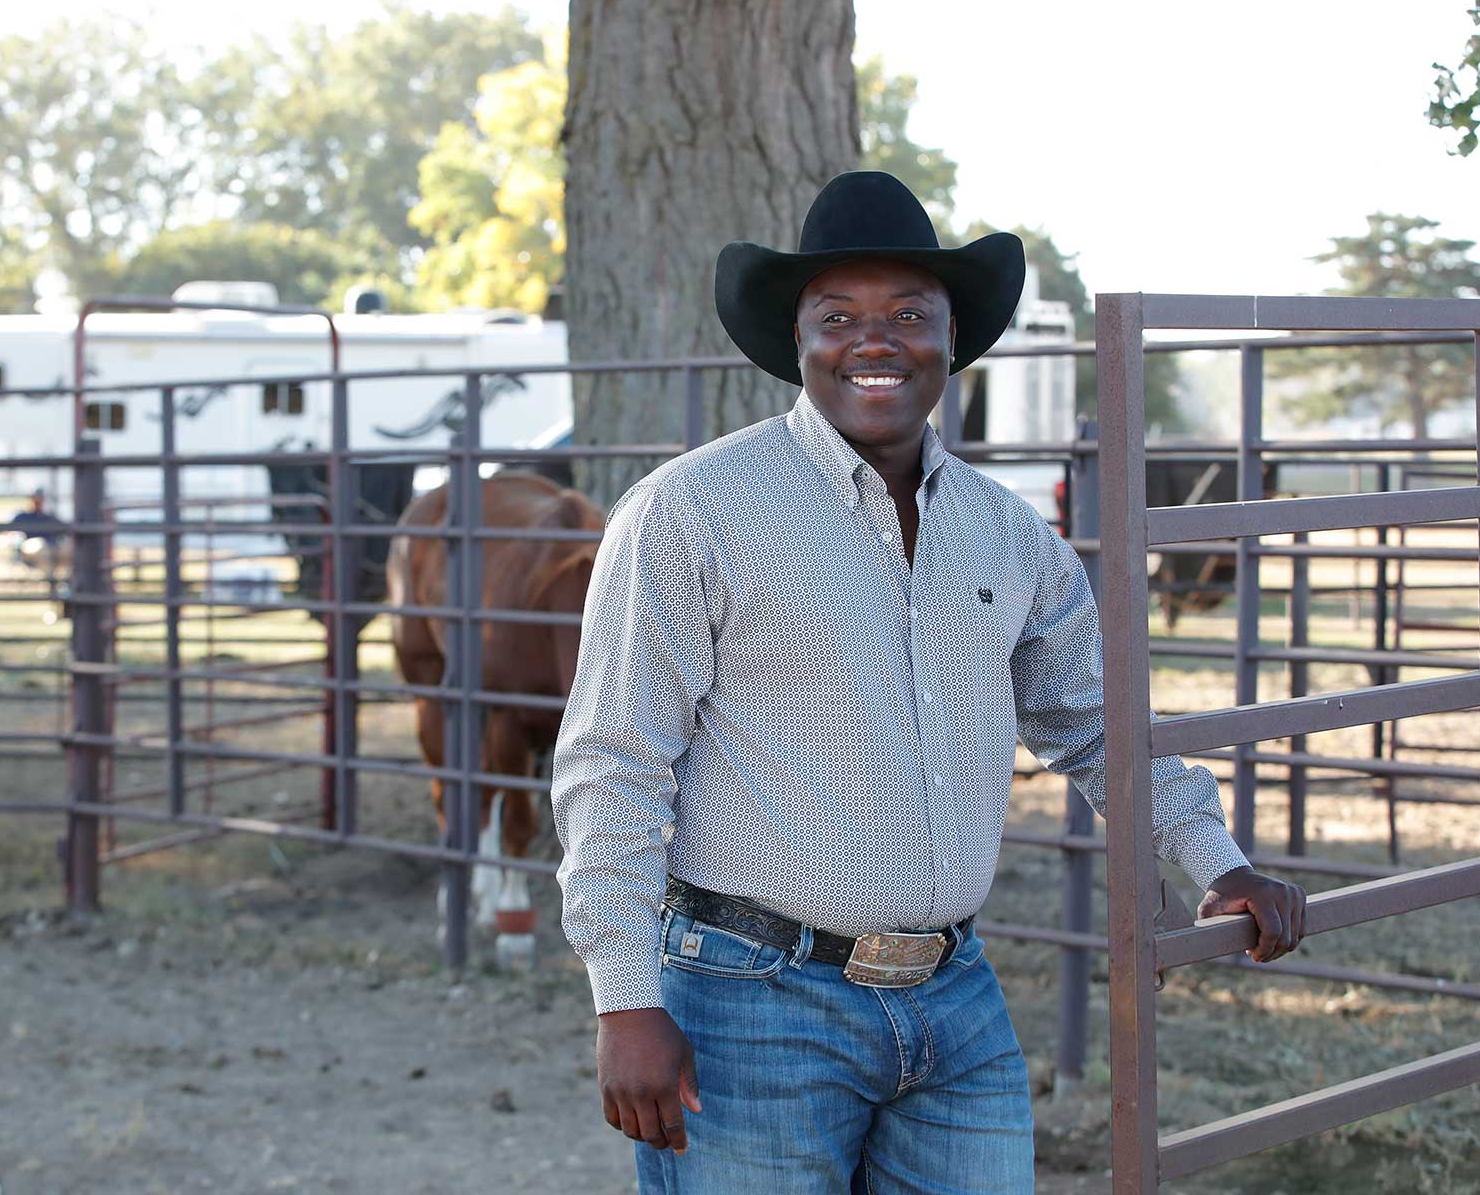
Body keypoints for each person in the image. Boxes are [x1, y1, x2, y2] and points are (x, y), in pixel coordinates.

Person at [550, 171, 1307, 1194]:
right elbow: (615, 759)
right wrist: (625, 997)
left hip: (955, 1001)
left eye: (910, 313)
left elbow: (1095, 724)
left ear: (953, 339)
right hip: (750, 1004)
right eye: (839, 317)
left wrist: (1211, 862)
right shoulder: (693, 513)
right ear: (798, 340)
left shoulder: (1004, 531)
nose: (876, 340)